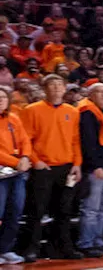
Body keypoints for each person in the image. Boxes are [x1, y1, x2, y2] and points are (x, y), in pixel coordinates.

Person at [19, 74, 82, 261]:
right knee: (37, 211)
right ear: (44, 89)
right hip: (42, 168)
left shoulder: (73, 111)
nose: (56, 89)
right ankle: (31, 249)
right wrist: (35, 160)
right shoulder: (31, 110)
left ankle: (62, 248)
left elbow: (75, 140)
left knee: (64, 210)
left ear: (65, 89)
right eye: (51, 85)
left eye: (59, 85)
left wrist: (77, 164)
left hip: (66, 167)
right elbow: (25, 141)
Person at [77, 82, 103, 257]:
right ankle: (86, 243)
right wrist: (95, 166)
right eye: (99, 92)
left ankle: (98, 241)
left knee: (101, 209)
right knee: (91, 208)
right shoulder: (87, 113)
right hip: (96, 168)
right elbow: (88, 143)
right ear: (90, 95)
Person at [0, 88, 32, 265]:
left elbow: (25, 140)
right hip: (3, 172)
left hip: (17, 173)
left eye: (3, 97)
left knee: (15, 210)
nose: (1, 100)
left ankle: (6, 249)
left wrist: (26, 157)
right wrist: (16, 162)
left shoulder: (14, 118)